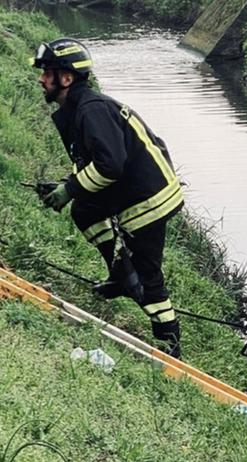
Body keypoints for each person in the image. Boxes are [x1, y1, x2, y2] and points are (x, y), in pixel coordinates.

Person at [32, 39, 185, 357]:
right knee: (85, 210)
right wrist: (66, 185)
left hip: (148, 198)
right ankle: (120, 276)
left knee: (149, 277)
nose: (41, 79)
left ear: (67, 78)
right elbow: (92, 164)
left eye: (48, 72)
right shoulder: (77, 110)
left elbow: (110, 166)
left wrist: (70, 190)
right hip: (134, 191)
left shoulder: (91, 110)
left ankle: (170, 349)